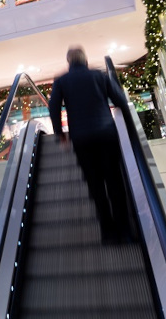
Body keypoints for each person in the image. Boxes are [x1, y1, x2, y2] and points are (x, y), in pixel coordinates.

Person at [48, 45, 134, 243]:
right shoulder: (99, 75)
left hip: (82, 139)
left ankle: (108, 233)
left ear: (69, 61)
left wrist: (59, 134)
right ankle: (125, 232)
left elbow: (54, 106)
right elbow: (119, 99)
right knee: (115, 183)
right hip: (106, 134)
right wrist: (129, 127)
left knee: (95, 186)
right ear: (85, 59)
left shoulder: (62, 81)